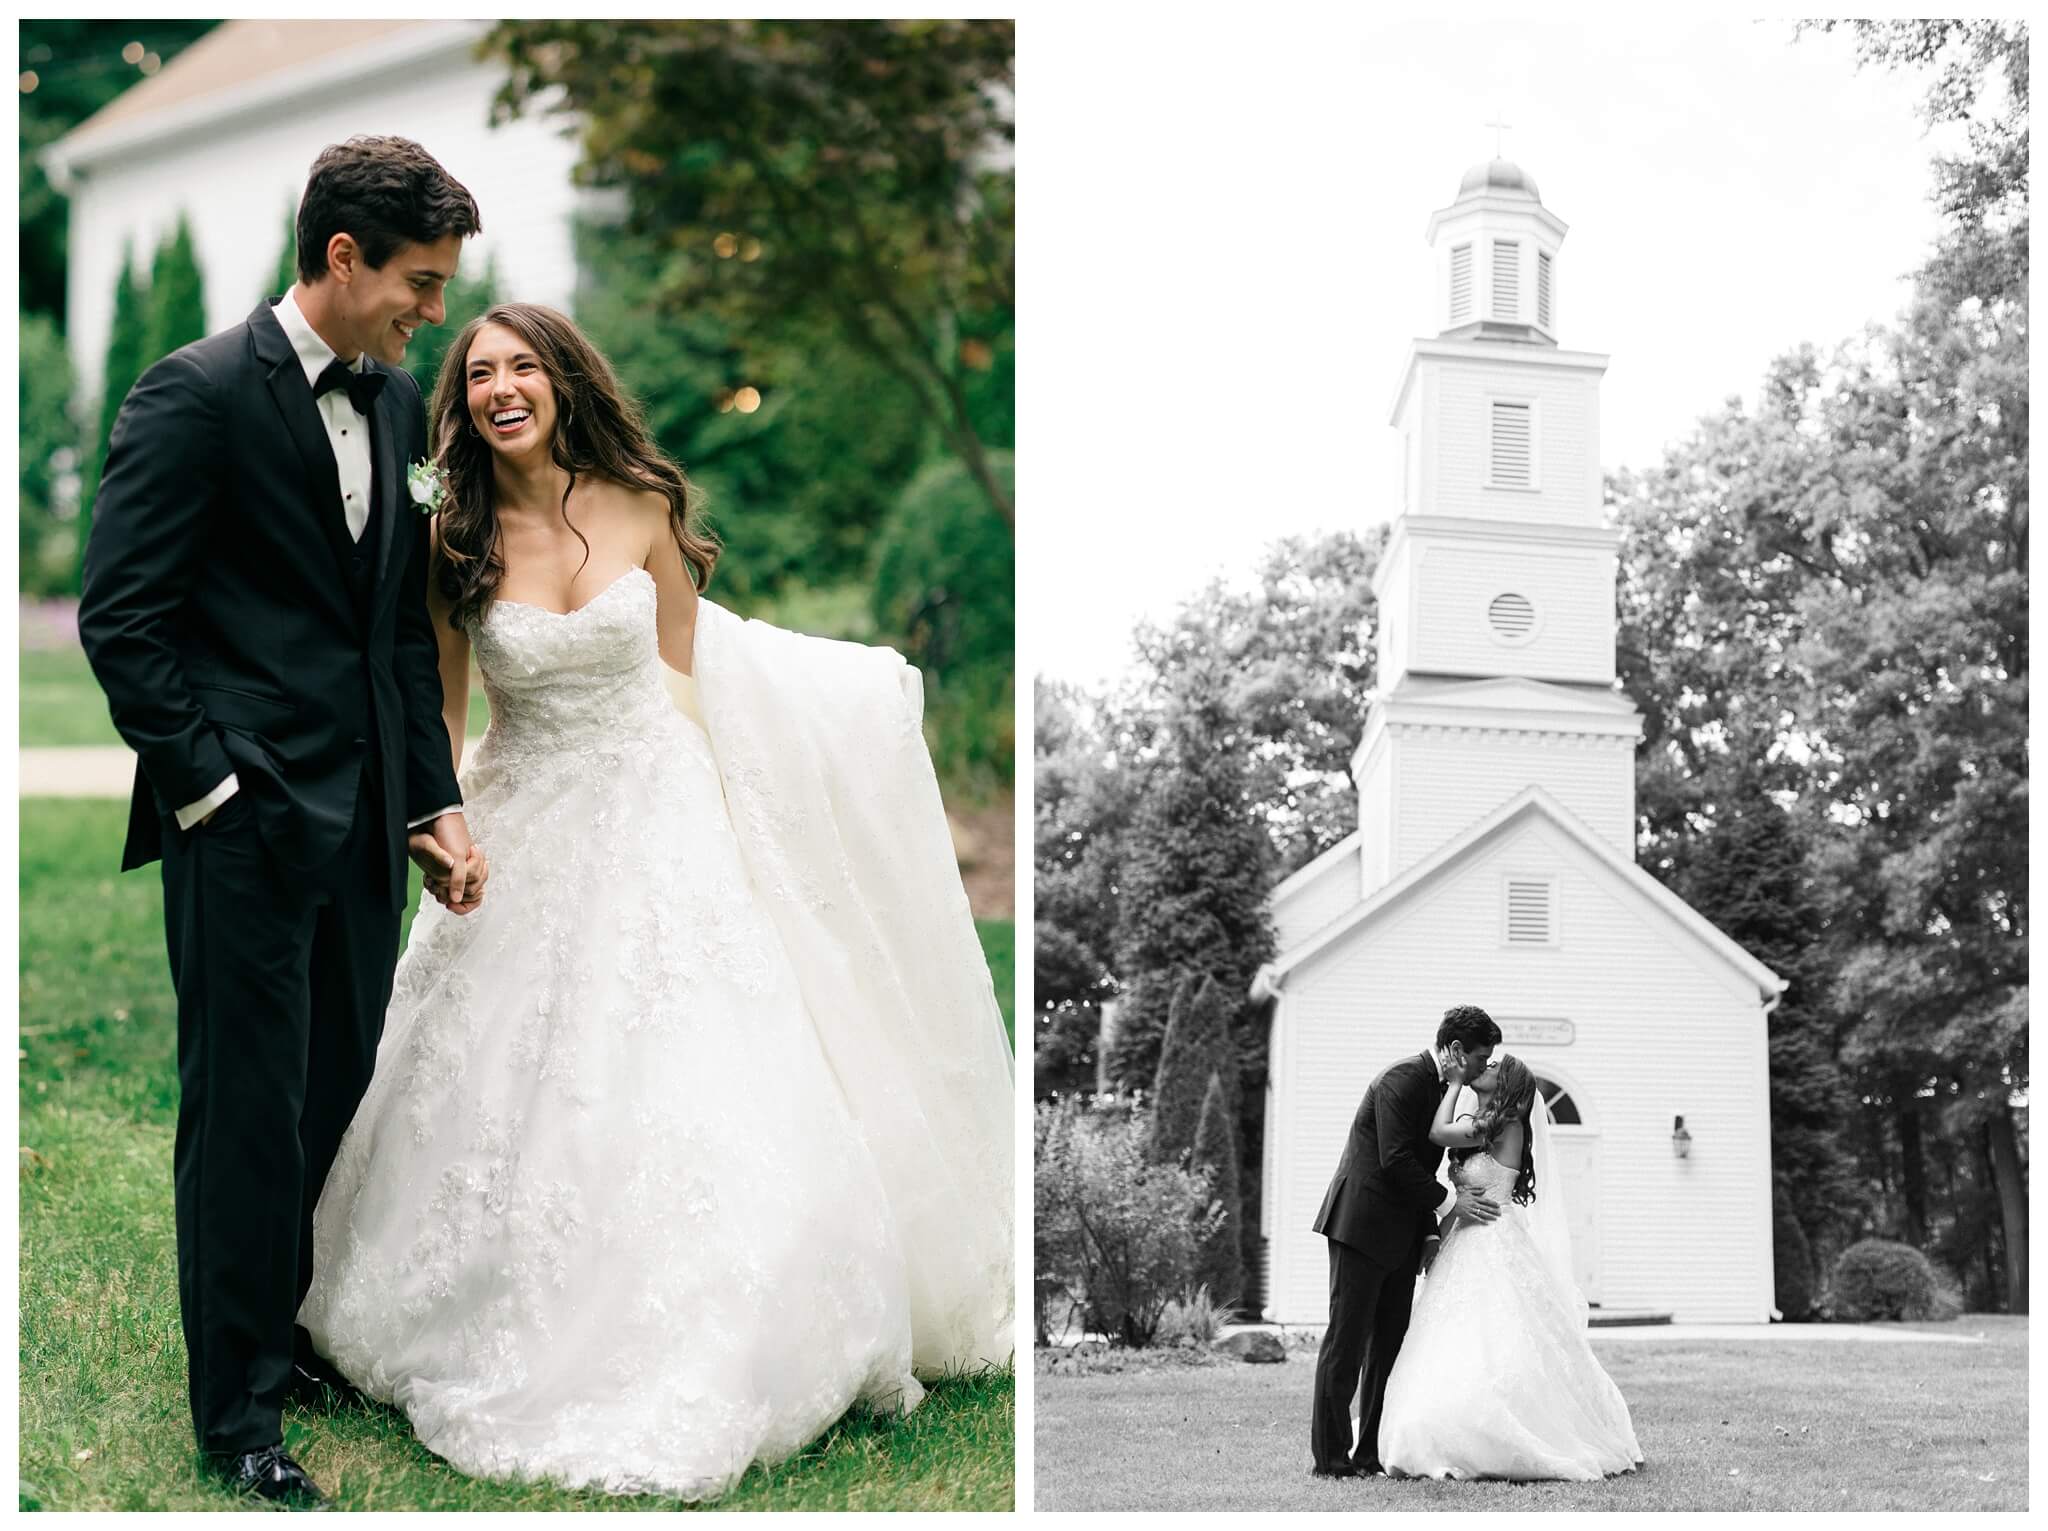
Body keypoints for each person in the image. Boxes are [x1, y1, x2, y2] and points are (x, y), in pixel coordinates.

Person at [298, 303, 1015, 1501]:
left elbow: (686, 672)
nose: (498, 386)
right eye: (478, 372)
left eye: (522, 365)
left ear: (565, 380)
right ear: (461, 403)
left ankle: (743, 1316)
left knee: (695, 1066)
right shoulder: (453, 533)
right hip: (524, 815)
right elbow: (444, 705)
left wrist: (732, 815)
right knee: (504, 1075)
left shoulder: (643, 502)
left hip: (656, 808)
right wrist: (447, 821)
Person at [77, 135, 486, 1508]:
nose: (433, 311)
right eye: (418, 283)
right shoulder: (190, 394)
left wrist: (428, 795)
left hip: (366, 824)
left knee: (332, 1093)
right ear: (342, 256)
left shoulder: (389, 396)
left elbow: (392, 638)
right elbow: (123, 620)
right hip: (242, 824)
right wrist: (209, 786)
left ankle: (284, 1330)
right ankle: (237, 1409)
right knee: (244, 1116)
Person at [1377, 1052, 1643, 1479]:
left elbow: (1438, 1132)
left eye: (1495, 1067)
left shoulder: (1506, 1124)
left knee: (1501, 1335)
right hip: (1464, 1241)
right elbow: (1462, 1191)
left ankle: (1498, 1434)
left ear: (1508, 1085)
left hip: (1495, 1242)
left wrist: (1456, 1081)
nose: (1486, 1066)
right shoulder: (1483, 1123)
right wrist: (1439, 1234)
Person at [1309, 1005, 1504, 1477]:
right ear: (1456, 1049)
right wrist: (1449, 1204)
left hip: (1401, 1236)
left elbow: (1426, 1164)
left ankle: (1369, 1453)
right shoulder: (1401, 1078)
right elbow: (1395, 1159)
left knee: (1389, 1347)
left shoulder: (1443, 1091)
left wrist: (1429, 1233)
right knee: (1347, 1343)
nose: (1483, 1066)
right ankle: (1331, 1459)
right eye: (1480, 1056)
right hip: (1360, 1227)